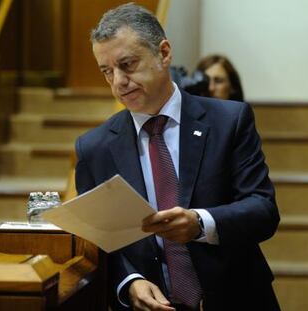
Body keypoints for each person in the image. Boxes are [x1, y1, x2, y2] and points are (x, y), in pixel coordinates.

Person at [75, 3, 280, 311]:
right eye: (107, 71)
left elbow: (263, 211)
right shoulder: (94, 147)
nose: (118, 82)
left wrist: (200, 223)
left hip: (236, 297)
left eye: (127, 65)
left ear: (164, 53)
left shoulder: (228, 120)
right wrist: (128, 282)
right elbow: (98, 240)